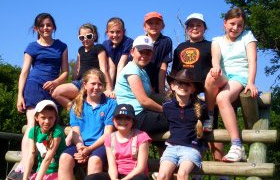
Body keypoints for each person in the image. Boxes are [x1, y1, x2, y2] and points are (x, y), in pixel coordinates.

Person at [171, 13, 227, 180]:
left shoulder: (211, 45)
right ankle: (196, 170)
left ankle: (221, 172)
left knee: (212, 131)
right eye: (191, 25)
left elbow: (217, 68)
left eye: (198, 25)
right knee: (190, 130)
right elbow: (174, 71)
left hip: (205, 94)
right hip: (185, 94)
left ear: (204, 28)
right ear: (187, 28)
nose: (194, 28)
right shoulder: (180, 47)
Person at [12, 13, 68, 179]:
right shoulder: (32, 47)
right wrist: (19, 96)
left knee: (51, 125)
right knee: (32, 126)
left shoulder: (62, 46)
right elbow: (24, 72)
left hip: (52, 90)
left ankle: (50, 165)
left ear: (54, 27)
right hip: (34, 86)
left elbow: (65, 71)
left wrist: (56, 82)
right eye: (42, 25)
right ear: (36, 28)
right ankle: (24, 163)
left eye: (49, 25)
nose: (45, 28)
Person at [205, 7, 258, 162]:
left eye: (239, 25)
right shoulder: (217, 41)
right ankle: (209, 115)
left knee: (222, 97)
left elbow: (252, 61)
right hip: (224, 75)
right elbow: (215, 59)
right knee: (210, 77)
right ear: (225, 23)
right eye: (232, 23)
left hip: (239, 76)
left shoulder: (247, 37)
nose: (235, 28)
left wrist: (251, 82)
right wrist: (216, 69)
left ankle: (237, 146)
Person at [58, 68, 117, 179]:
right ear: (85, 84)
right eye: (93, 84)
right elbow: (76, 132)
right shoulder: (76, 105)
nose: (96, 87)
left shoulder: (111, 104)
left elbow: (108, 133)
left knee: (94, 161)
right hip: (80, 145)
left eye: (100, 84)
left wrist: (89, 150)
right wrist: (81, 148)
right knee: (65, 158)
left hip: (101, 145)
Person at [157, 69, 208, 180]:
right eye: (180, 83)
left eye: (188, 84)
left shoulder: (201, 106)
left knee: (182, 175)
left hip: (192, 147)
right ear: (172, 86)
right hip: (172, 147)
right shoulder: (167, 107)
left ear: (193, 89)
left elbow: (208, 122)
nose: (183, 86)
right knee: (162, 176)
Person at [114, 35, 168, 135]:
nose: (144, 55)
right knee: (178, 118)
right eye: (141, 52)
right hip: (134, 116)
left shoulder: (142, 71)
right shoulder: (131, 70)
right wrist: (166, 110)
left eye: (148, 53)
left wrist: (172, 101)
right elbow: (144, 101)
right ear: (132, 52)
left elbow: (152, 94)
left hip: (141, 114)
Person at [52, 23, 114, 108]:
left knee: (57, 92)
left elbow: (103, 68)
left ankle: (77, 111)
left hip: (93, 81)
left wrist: (109, 89)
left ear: (94, 36)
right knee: (56, 93)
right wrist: (72, 81)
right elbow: (77, 69)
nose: (85, 39)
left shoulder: (98, 48)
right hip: (79, 83)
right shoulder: (80, 50)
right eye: (81, 37)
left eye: (88, 36)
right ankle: (75, 111)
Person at [85, 104, 151, 180]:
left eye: (127, 118)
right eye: (119, 118)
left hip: (135, 175)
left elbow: (141, 167)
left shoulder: (142, 136)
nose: (123, 121)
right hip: (117, 175)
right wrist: (114, 179)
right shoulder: (109, 138)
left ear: (133, 121)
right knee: (91, 178)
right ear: (113, 120)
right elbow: (112, 165)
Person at [22, 100, 66, 180]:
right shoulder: (34, 131)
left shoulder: (57, 131)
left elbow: (48, 159)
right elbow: (31, 155)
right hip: (41, 171)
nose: (47, 121)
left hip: (57, 171)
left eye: (50, 118)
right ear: (36, 118)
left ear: (55, 118)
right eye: (43, 117)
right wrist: (24, 178)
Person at [143, 12, 173, 94]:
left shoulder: (166, 41)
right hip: (142, 81)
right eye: (150, 23)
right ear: (144, 27)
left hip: (157, 82)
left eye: (157, 23)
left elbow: (164, 66)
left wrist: (161, 89)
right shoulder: (140, 41)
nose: (154, 25)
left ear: (162, 26)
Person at [102, 17, 133, 86]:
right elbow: (111, 67)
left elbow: (121, 64)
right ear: (107, 32)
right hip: (110, 77)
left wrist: (118, 87)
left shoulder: (128, 42)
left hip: (125, 76)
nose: (115, 35)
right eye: (112, 32)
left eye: (118, 32)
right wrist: (109, 88)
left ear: (124, 32)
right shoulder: (105, 44)